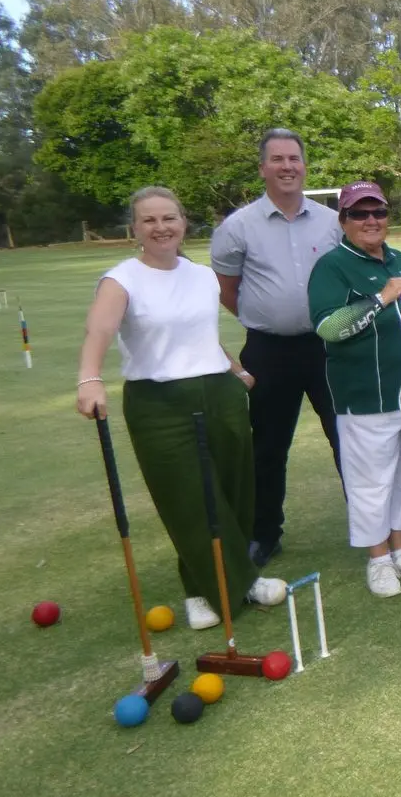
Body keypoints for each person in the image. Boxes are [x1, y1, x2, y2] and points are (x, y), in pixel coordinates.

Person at [77, 186, 287, 630]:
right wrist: (90, 379)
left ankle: (233, 581)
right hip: (158, 402)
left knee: (232, 492)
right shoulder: (122, 279)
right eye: (149, 220)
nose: (161, 227)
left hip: (219, 393)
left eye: (168, 218)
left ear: (183, 223)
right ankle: (204, 591)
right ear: (135, 228)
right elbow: (98, 331)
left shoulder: (202, 275)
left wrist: (235, 369)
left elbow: (202, 336)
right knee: (189, 499)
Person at [210, 128, 342, 568]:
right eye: (278, 159)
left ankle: (372, 523)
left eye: (295, 158)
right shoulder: (237, 226)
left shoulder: (331, 221)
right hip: (268, 351)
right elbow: (228, 291)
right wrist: (269, 317)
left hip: (327, 347)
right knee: (267, 447)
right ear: (263, 167)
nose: (288, 166)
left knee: (348, 438)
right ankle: (265, 533)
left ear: (304, 165)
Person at [308, 182, 401, 597]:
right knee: (371, 482)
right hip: (364, 395)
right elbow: (328, 327)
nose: (371, 221)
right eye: (359, 214)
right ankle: (378, 560)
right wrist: (379, 299)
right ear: (343, 221)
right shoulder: (333, 265)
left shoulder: (398, 258)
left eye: (378, 213)